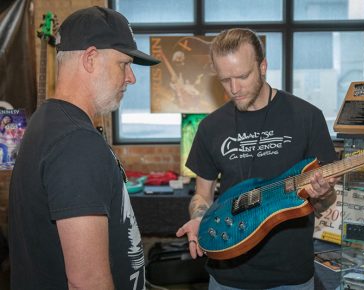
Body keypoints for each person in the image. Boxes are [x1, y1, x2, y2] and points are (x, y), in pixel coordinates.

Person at [8, 6, 159, 290]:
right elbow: (87, 282)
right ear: (90, 58)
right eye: (123, 64)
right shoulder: (75, 142)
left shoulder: (47, 120)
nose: (131, 77)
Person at [176, 28, 339, 290]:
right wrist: (200, 218)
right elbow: (202, 195)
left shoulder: (307, 117)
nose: (234, 89)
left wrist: (323, 194)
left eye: (242, 76)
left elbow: (325, 202)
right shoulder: (210, 127)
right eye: (224, 79)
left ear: (262, 66)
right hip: (227, 274)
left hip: (291, 276)